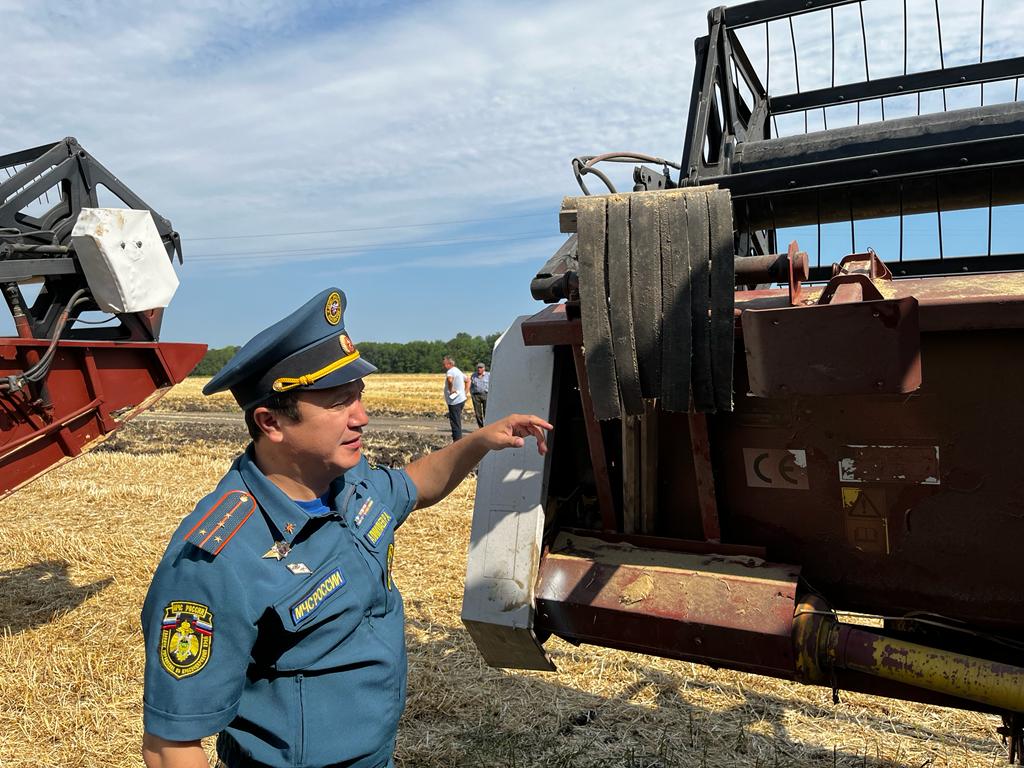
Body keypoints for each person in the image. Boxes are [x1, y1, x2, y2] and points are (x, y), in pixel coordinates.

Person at [140, 287, 550, 768]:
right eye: (338, 403)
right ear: (271, 421)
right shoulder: (217, 559)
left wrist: (480, 441)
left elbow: (414, 486)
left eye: (358, 396)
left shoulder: (348, 482)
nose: (362, 417)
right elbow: (171, 745)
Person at [441, 354, 469, 442]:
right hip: (461, 400)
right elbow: (468, 380)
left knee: (455, 422)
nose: (443, 365)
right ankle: (458, 441)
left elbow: (449, 380)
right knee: (456, 420)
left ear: (449, 364)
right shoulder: (458, 370)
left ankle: (457, 443)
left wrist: (451, 389)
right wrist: (465, 392)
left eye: (444, 363)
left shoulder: (450, 371)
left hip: (454, 402)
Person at [469, 362, 490, 428]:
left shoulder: (488, 375)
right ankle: (481, 427)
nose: (479, 369)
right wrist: (471, 393)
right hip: (476, 395)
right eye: (478, 368)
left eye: (481, 368)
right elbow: (471, 385)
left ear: (484, 368)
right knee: (478, 413)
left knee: (486, 412)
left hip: (486, 395)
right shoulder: (473, 375)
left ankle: (487, 427)